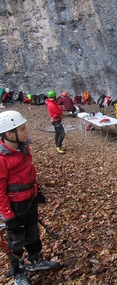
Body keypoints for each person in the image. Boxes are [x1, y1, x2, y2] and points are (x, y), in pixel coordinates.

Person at [0, 110, 60, 285]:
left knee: (33, 234)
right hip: (15, 206)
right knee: (16, 240)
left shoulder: (23, 149)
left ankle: (36, 260)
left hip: (29, 201)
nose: (27, 131)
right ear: (9, 134)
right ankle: (18, 272)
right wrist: (9, 217)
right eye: (23, 128)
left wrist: (36, 192)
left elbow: (27, 174)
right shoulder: (2, 159)